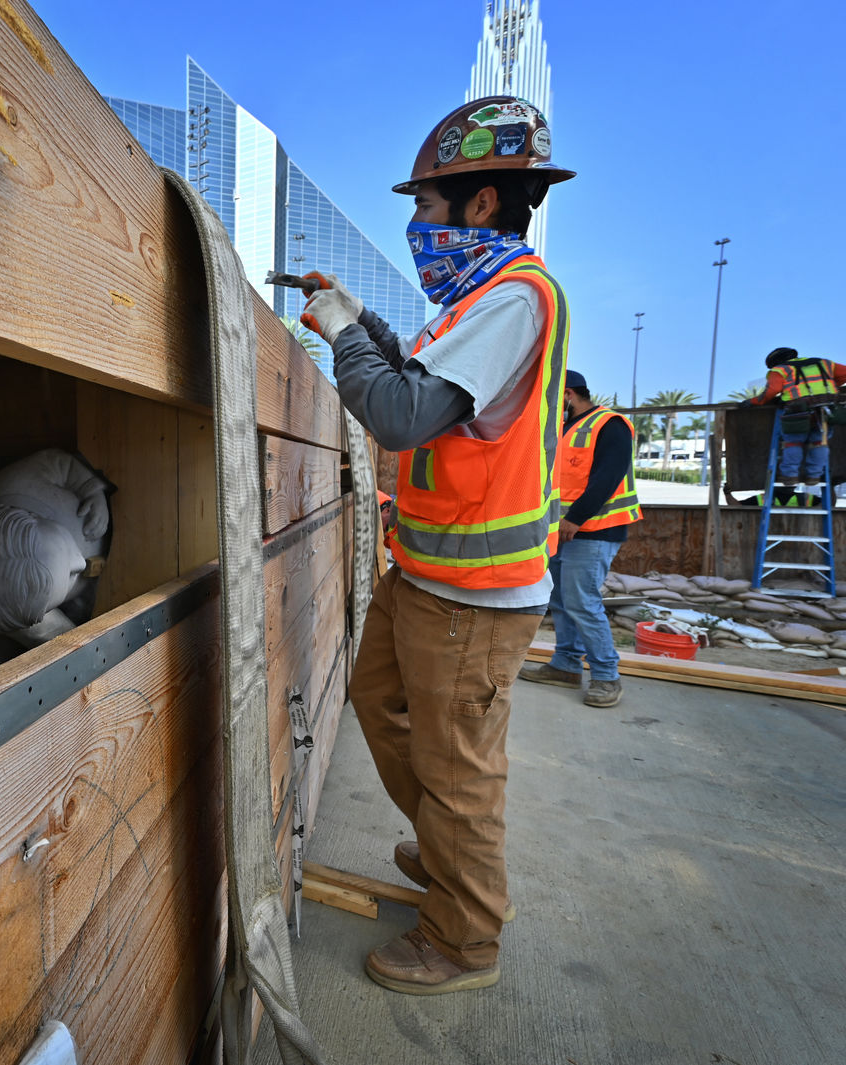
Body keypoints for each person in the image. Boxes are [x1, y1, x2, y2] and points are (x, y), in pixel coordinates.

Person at [299, 95, 572, 996]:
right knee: (383, 704)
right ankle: (463, 861)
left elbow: (403, 412)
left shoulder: (514, 299)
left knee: (457, 768)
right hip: (430, 574)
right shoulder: (473, 302)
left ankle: (464, 936)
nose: (417, 225)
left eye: (425, 206)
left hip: (474, 592)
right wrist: (356, 317)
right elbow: (416, 374)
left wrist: (343, 335)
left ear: (480, 204)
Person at [518, 371, 641, 706]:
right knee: (560, 601)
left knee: (582, 603)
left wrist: (575, 519)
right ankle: (566, 664)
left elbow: (607, 477)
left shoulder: (609, 424)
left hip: (594, 529)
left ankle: (606, 676)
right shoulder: (565, 429)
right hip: (563, 531)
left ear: (568, 395)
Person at [743, 347, 846, 485]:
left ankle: (790, 476)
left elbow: (772, 390)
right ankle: (814, 476)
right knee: (819, 443)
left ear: (776, 362)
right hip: (825, 410)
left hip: (797, 411)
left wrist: (753, 401)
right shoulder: (823, 363)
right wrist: (830, 386)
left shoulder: (779, 370)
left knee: (793, 443)